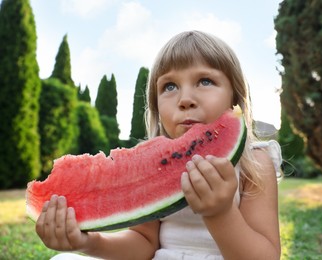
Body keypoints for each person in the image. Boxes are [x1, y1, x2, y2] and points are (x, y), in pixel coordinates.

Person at [36, 30, 282, 260]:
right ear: (156, 106)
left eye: (205, 81)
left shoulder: (255, 162)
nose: (185, 99)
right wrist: (88, 243)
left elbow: (265, 255)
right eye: (170, 86)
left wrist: (221, 213)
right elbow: (143, 242)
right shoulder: (156, 165)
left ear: (235, 98)